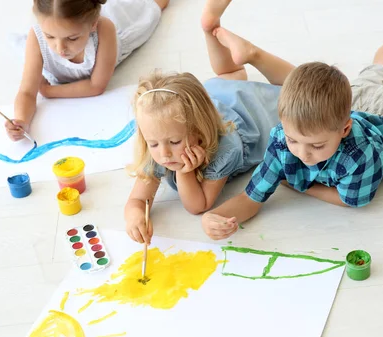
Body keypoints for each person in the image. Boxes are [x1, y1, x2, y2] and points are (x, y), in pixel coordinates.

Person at [201, 0, 383, 240]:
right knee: (380, 69)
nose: (303, 153)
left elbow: (349, 200)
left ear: (345, 129)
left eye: (317, 146)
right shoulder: (284, 138)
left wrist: (301, 184)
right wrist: (215, 216)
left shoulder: (358, 156)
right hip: (354, 98)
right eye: (293, 139)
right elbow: (250, 199)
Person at [123, 0, 296, 244]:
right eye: (153, 143)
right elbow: (137, 200)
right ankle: (210, 28)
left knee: (296, 91)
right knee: (230, 76)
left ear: (199, 131)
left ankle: (253, 54)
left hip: (256, 112)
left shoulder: (225, 150)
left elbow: (198, 205)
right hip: (221, 95)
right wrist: (134, 217)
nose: (163, 153)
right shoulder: (160, 140)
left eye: (173, 141)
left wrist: (184, 173)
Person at [5, 0, 169, 141]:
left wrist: (49, 90)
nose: (60, 48)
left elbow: (96, 86)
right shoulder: (37, 37)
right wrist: (21, 121)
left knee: (150, 9)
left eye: (72, 38)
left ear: (93, 24)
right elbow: (27, 92)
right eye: (50, 36)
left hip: (113, 32)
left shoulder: (105, 30)